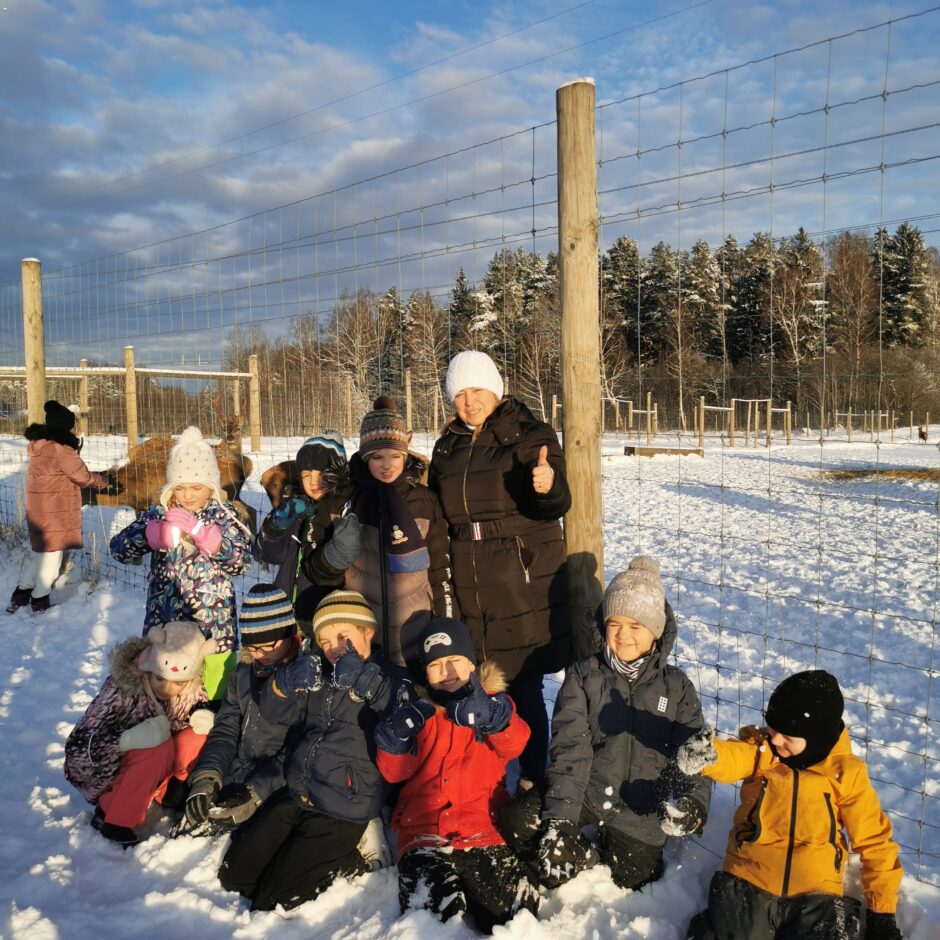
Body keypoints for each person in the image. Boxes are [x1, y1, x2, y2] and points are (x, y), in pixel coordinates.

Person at [503, 556, 710, 892]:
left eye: (636, 626)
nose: (623, 636)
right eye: (615, 624)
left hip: (639, 808)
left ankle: (608, 858)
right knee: (518, 823)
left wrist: (692, 805)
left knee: (633, 881)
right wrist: (561, 820)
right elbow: (571, 749)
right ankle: (584, 859)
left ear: (655, 632)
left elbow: (692, 760)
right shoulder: (583, 675)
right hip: (587, 791)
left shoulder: (677, 688)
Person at [217, 589, 408, 912]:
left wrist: (369, 685)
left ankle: (353, 858)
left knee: (271, 903)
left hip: (343, 805)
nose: (334, 648)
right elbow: (276, 713)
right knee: (235, 878)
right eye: (324, 640)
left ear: (368, 632)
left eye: (343, 637)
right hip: (300, 791)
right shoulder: (321, 673)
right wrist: (283, 684)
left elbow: (405, 715)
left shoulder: (390, 678)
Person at [429, 351, 571, 784]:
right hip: (467, 573)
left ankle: (531, 775)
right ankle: (479, 774)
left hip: (516, 575)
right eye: (460, 394)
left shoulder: (527, 432)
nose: (469, 402)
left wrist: (548, 487)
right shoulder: (448, 443)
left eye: (477, 391)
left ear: (496, 389)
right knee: (472, 677)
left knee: (522, 683)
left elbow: (556, 500)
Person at [679, 669, 905, 940]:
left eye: (787, 735)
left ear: (817, 737)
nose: (775, 739)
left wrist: (882, 913)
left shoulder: (845, 774)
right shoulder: (765, 752)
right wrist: (711, 756)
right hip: (749, 878)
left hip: (816, 894)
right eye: (773, 729)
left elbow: (875, 842)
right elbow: (737, 756)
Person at [375, 617, 539, 932]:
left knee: (518, 917)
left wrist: (496, 718)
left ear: (472, 665)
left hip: (483, 829)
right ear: (425, 672)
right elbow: (395, 773)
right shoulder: (417, 711)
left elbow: (516, 744)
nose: (448, 672)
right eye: (437, 665)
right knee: (431, 918)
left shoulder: (495, 702)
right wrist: (392, 742)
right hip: (425, 833)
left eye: (455, 661)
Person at [64, 621, 216, 847]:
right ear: (149, 665)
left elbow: (197, 719)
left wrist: (206, 716)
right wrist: (123, 740)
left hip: (153, 769)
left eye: (178, 683)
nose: (167, 689)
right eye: (160, 679)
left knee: (198, 736)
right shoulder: (123, 686)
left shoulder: (192, 688)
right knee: (157, 747)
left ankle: (170, 794)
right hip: (113, 773)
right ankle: (112, 817)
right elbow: (78, 748)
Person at [109, 426, 251, 653]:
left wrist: (206, 537)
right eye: (180, 487)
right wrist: (148, 535)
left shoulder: (223, 516)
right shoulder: (160, 513)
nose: (188, 495)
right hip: (164, 622)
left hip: (212, 625)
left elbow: (240, 563)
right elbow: (118, 550)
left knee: (213, 684)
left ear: (211, 485)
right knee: (166, 684)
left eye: (196, 487)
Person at [176, 583, 302, 836]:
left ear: (289, 635)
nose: (260, 654)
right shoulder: (242, 674)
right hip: (237, 773)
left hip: (277, 784)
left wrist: (255, 793)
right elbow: (226, 730)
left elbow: (298, 751)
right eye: (253, 647)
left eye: (269, 645)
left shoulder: (305, 681)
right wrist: (207, 777)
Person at [346, 396, 456, 665]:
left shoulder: (424, 500)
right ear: (364, 457)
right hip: (364, 639)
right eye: (377, 457)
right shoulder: (351, 500)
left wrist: (447, 626)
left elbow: (440, 569)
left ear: (406, 455)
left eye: (395, 455)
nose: (387, 465)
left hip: (415, 636)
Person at [7, 399, 109, 614]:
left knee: (39, 556)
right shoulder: (62, 450)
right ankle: (39, 600)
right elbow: (82, 477)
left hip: (38, 511)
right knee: (52, 561)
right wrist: (104, 481)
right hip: (55, 512)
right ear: (67, 427)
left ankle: (20, 594)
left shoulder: (40, 447)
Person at [252, 432, 360, 633]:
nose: (313, 482)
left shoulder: (345, 513)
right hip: (285, 611)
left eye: (321, 473)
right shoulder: (297, 508)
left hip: (327, 615)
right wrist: (275, 526)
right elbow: (267, 555)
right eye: (306, 475)